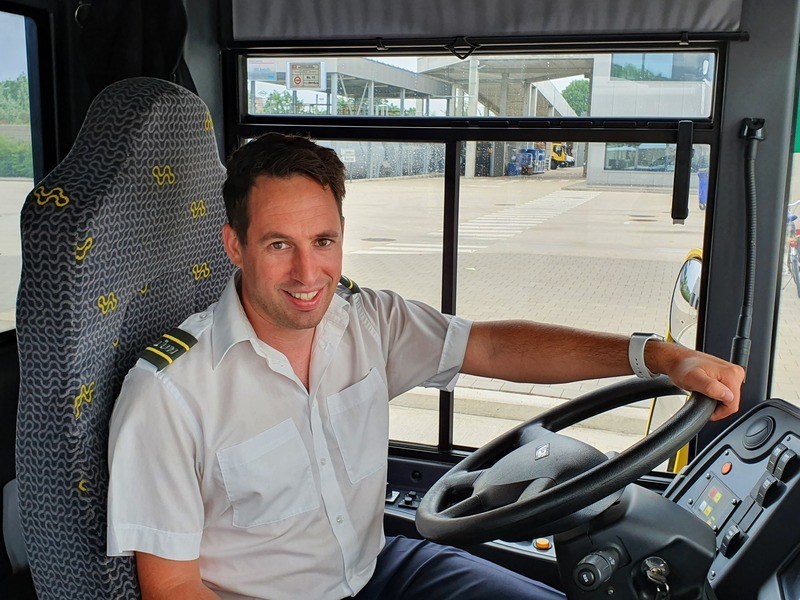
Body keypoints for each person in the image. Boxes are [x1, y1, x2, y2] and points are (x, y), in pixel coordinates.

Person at [106, 133, 745, 600]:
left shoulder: (367, 321)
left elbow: (492, 346)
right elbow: (173, 589)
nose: (308, 274)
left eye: (323, 242)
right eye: (279, 245)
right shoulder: (169, 394)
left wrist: (656, 356)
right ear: (235, 245)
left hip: (383, 570)